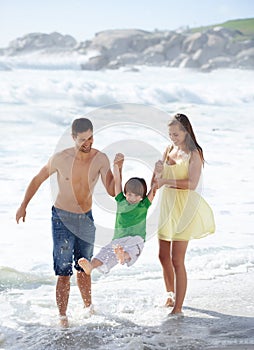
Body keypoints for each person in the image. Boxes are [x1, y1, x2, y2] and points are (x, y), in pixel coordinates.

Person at [16, 118, 122, 327]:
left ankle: (88, 309)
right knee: (63, 271)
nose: (88, 142)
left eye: (90, 137)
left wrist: (119, 169)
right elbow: (38, 179)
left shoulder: (100, 159)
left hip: (86, 219)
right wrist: (23, 205)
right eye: (83, 139)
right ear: (73, 137)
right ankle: (63, 317)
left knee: (84, 268)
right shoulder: (60, 158)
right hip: (62, 219)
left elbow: (112, 191)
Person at [155, 113, 215, 317]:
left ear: (186, 131)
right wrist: (156, 176)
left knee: (176, 259)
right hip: (167, 207)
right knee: (163, 256)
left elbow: (192, 184)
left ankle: (178, 307)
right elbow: (159, 178)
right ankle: (170, 294)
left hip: (184, 210)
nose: (172, 137)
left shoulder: (194, 153)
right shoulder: (168, 149)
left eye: (176, 134)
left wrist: (165, 182)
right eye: (170, 134)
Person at [78, 153, 161, 276]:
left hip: (136, 238)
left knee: (132, 248)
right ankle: (91, 266)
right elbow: (117, 181)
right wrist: (117, 166)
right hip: (118, 240)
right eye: (130, 194)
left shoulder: (144, 205)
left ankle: (123, 257)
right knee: (104, 252)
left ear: (142, 197)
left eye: (137, 195)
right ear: (126, 193)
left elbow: (154, 188)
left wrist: (158, 172)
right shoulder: (121, 200)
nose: (132, 198)